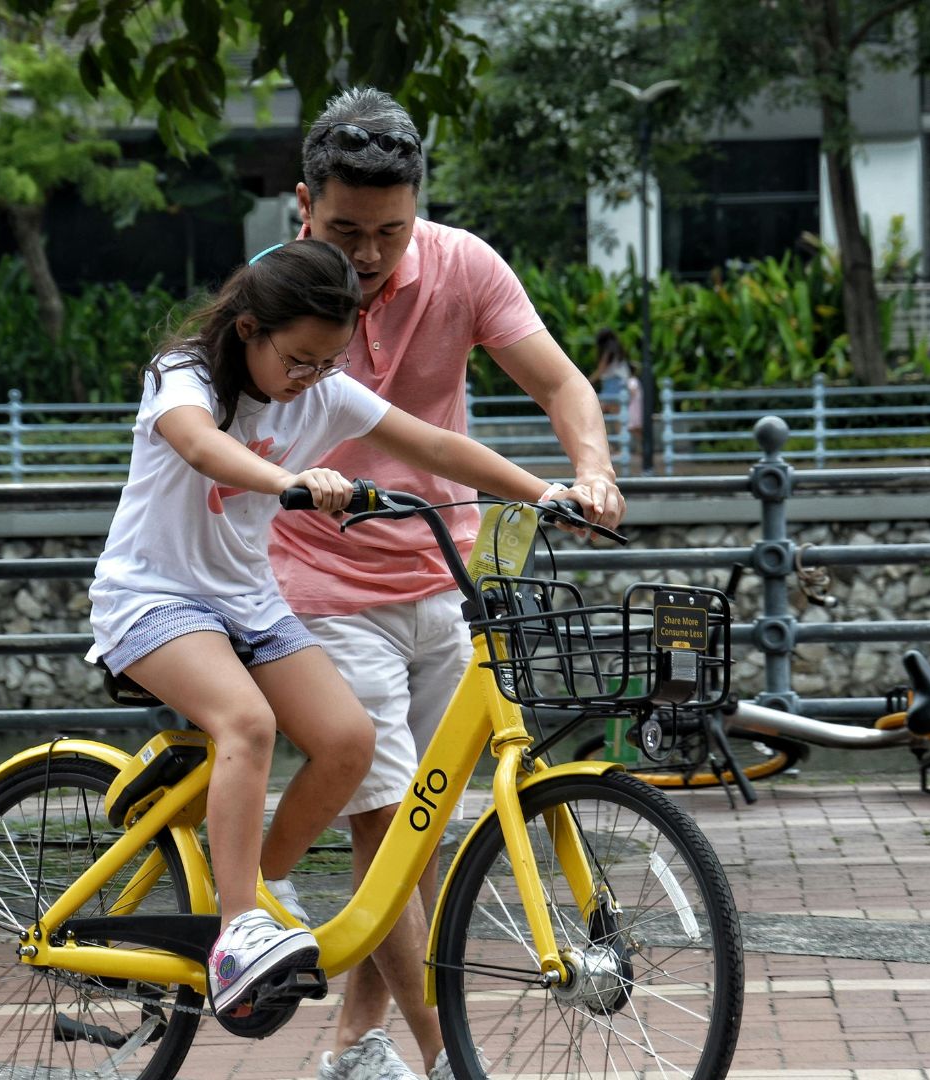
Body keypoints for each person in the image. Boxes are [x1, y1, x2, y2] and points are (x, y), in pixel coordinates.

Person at [84, 238, 590, 1024]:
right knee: (247, 723)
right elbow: (200, 445)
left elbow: (435, 445)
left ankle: (261, 886)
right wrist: (289, 479)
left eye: (328, 363)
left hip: (247, 602)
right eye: (298, 360)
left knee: (349, 741)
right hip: (153, 598)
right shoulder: (183, 375)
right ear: (249, 330)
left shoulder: (322, 390)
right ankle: (236, 931)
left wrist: (543, 492)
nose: (311, 379)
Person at [262, 88, 625, 1080]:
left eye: (391, 230)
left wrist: (589, 470)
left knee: (418, 833)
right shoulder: (277, 290)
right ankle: (444, 1057)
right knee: (388, 819)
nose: (370, 254)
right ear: (305, 204)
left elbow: (559, 381)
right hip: (319, 581)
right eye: (346, 231)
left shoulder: (464, 265)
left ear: (417, 206)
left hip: (447, 573)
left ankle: (356, 1041)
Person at [590, 327, 644, 470]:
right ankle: (618, 447)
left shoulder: (608, 351)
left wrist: (588, 381)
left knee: (605, 416)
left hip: (613, 385)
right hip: (617, 385)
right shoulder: (617, 349)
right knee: (609, 416)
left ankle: (618, 448)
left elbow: (601, 369)